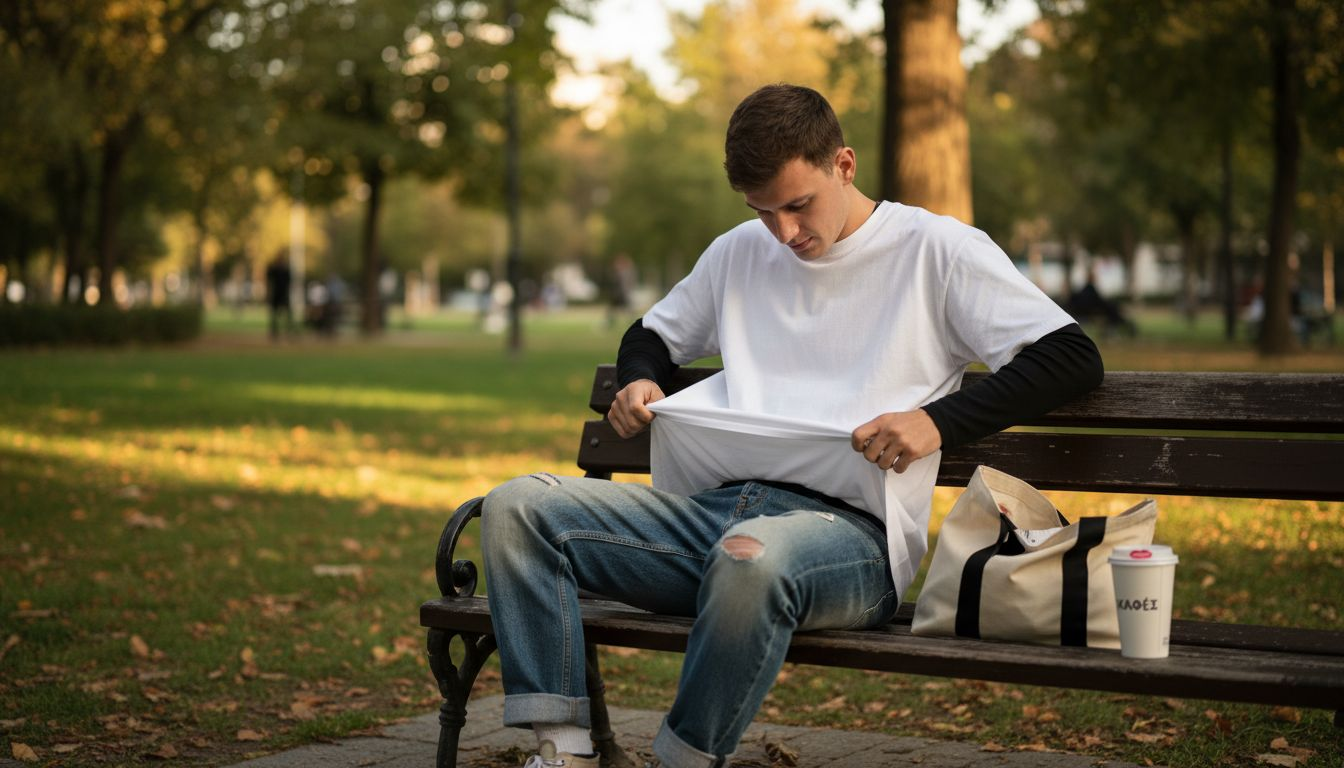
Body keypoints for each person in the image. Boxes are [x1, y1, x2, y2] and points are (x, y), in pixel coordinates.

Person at [480, 84, 1103, 768]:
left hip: (850, 541)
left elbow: (1070, 357)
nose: (783, 233)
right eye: (761, 211)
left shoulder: (937, 251)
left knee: (751, 556)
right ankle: (563, 750)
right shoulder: (738, 253)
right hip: (710, 520)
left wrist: (935, 422)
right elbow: (651, 333)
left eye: (797, 205)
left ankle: (681, 761)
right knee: (518, 508)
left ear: (843, 164)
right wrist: (638, 378)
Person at [264, 252, 293, 341]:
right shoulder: (274, 269)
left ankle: (289, 330)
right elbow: (269, 280)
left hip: (283, 294)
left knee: (287, 313)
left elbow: (289, 282)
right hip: (276, 294)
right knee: (274, 314)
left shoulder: (285, 270)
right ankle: (274, 331)